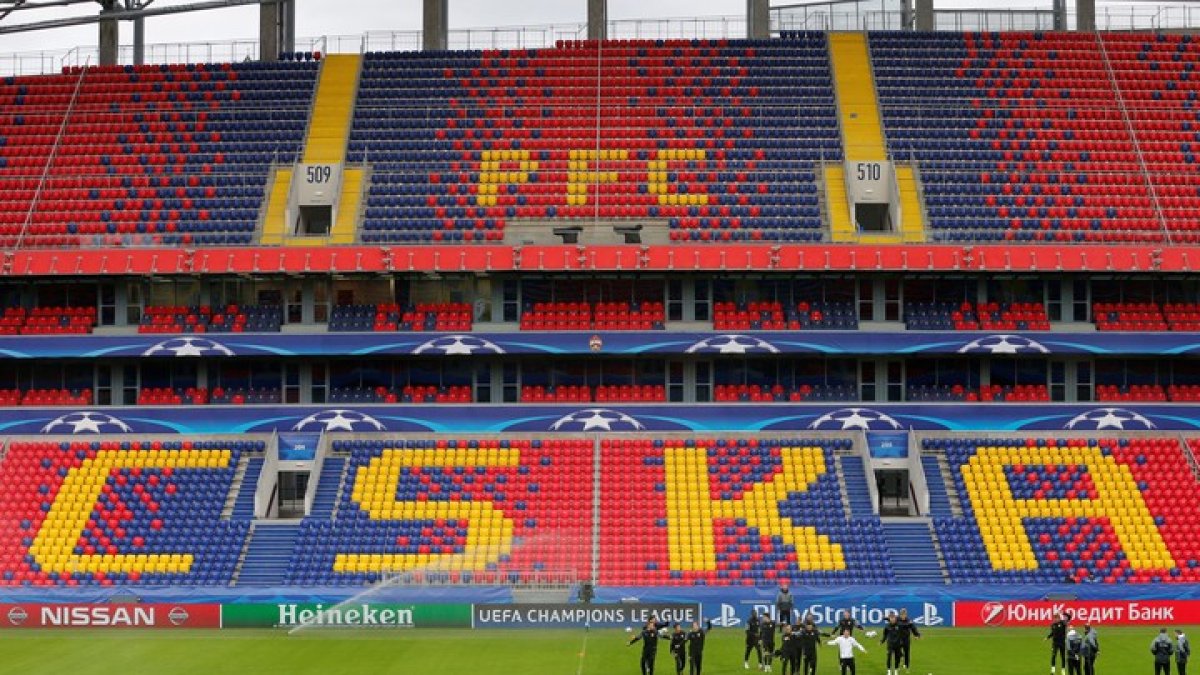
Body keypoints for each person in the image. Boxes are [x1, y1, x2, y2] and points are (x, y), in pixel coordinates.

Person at [1047, 611, 1073, 675]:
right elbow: (1053, 633)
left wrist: (1064, 613)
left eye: (1056, 618)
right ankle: (1053, 670)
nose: (1055, 619)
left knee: (1063, 657)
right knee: (1053, 655)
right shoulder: (1052, 625)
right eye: (1054, 618)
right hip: (1055, 643)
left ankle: (1063, 670)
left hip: (1062, 643)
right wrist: (1048, 637)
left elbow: (1069, 617)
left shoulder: (1063, 623)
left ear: (1059, 618)